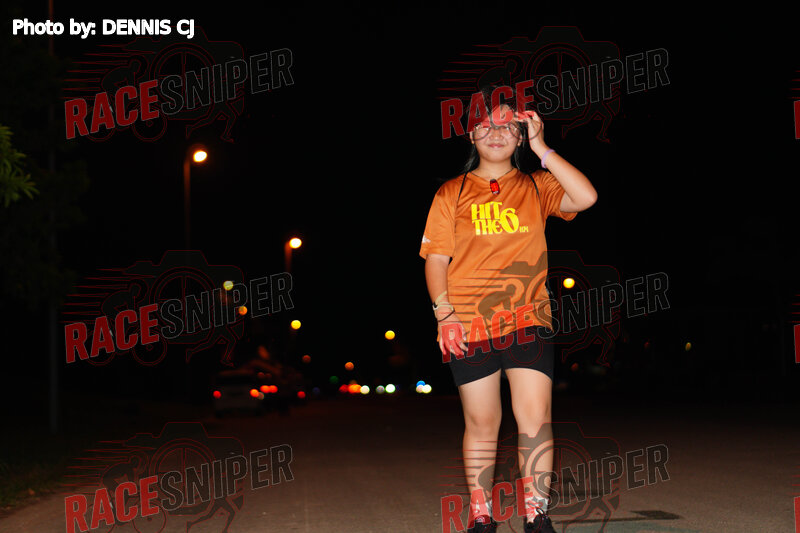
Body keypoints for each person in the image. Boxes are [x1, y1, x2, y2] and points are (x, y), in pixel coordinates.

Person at [420, 86, 597, 533]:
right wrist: (444, 315)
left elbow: (585, 197)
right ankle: (482, 514)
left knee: (535, 420)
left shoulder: (536, 186)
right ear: (469, 135)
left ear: (520, 135)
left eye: (507, 126)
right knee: (482, 423)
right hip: (469, 323)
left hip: (528, 318)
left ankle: (536, 512)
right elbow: (436, 259)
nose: (495, 133)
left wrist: (543, 148)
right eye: (484, 126)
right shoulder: (451, 193)